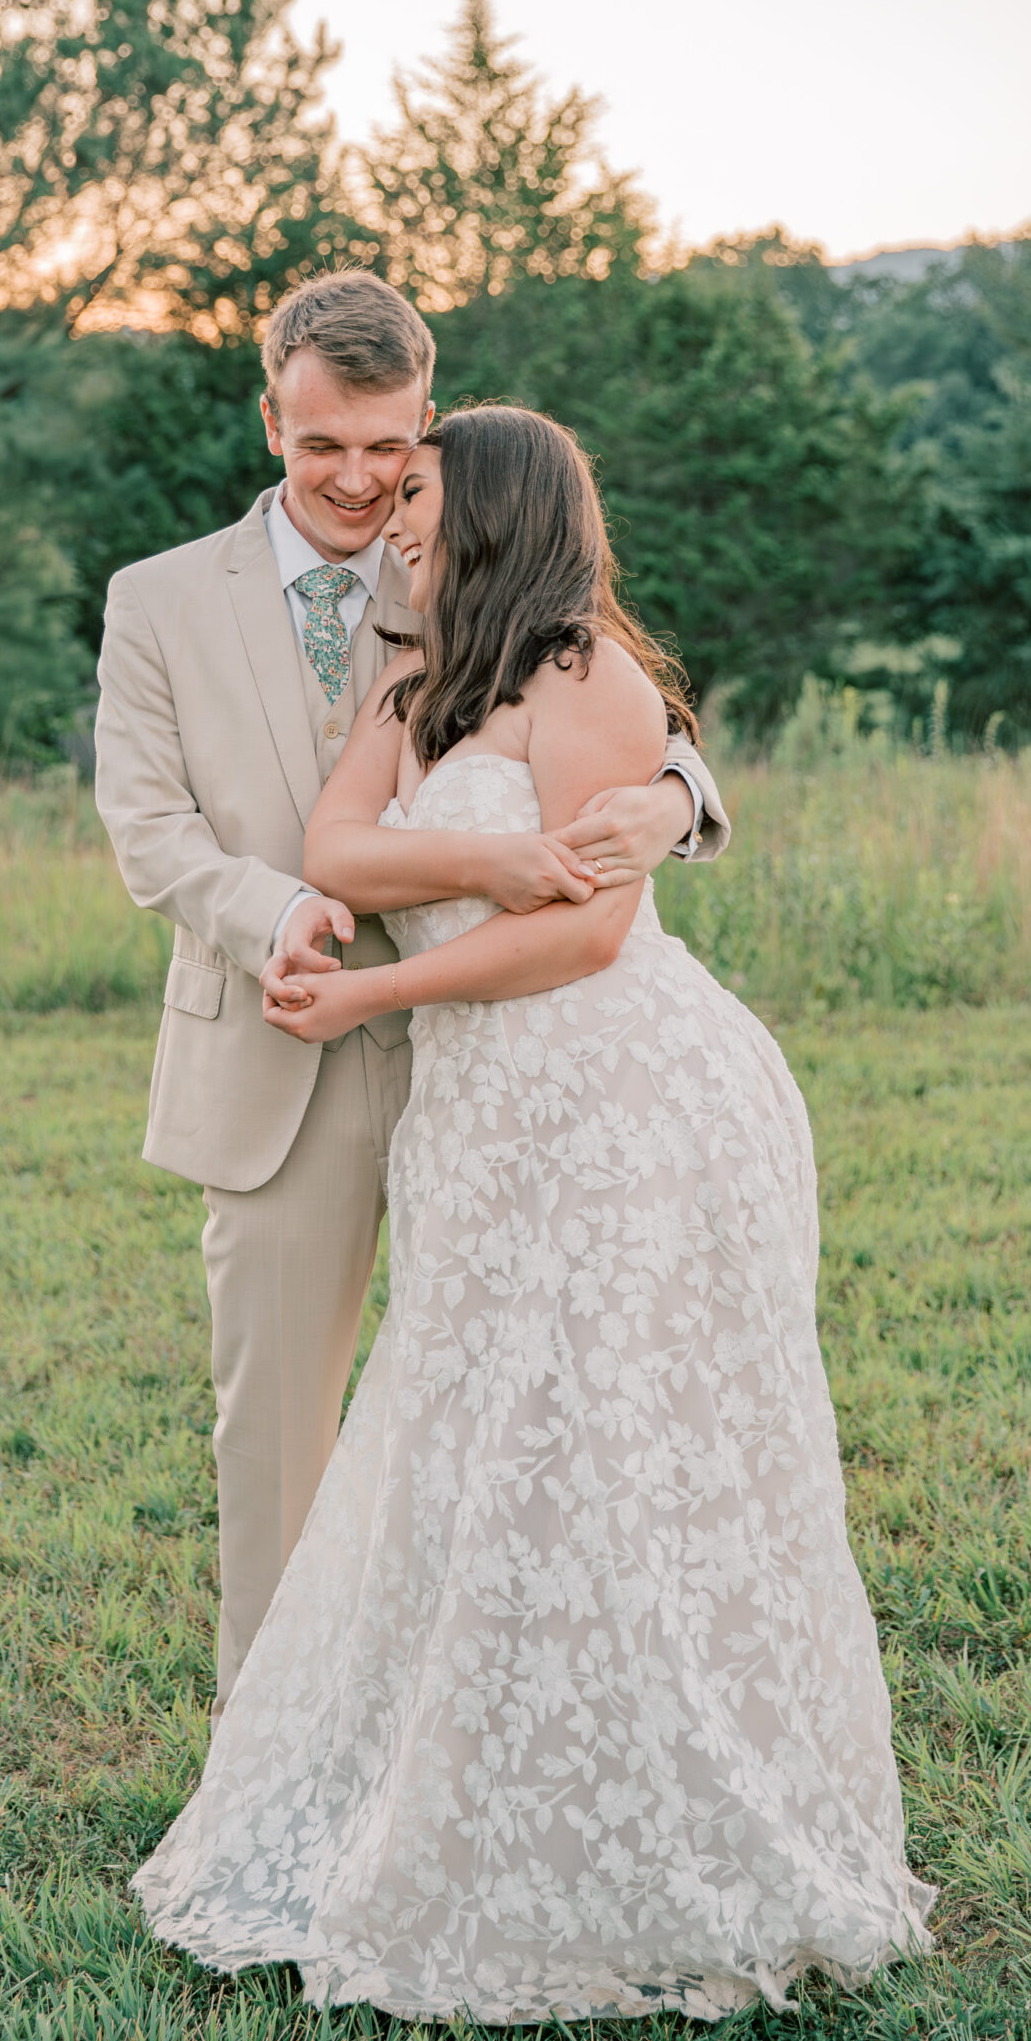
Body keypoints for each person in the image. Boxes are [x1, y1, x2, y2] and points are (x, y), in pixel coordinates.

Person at [130, 405, 936, 2023]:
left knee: (621, 1438)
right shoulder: (406, 668)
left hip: (622, 1098)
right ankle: (407, 1763)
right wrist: (501, 871)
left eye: (415, 486)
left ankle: (659, 1803)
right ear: (279, 422)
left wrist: (393, 990)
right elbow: (338, 843)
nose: (387, 509)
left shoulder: (588, 673)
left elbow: (592, 942)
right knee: (460, 1434)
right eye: (360, 469)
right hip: (480, 1114)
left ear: (478, 501)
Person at [93, 273, 726, 1722]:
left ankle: (468, 1734)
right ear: (272, 421)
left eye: (387, 445)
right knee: (279, 1432)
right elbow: (152, 830)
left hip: (504, 1057)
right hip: (283, 1042)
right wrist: (282, 916)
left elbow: (640, 713)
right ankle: (272, 1751)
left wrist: (679, 798)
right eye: (324, 447)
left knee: (503, 1418)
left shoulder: (471, 549)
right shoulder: (160, 602)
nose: (361, 480)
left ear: (422, 423)